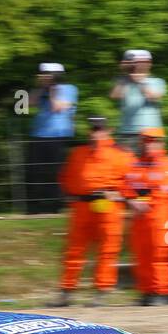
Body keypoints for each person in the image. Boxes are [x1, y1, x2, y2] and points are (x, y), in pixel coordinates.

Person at [54, 115, 132, 306]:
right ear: (90, 131)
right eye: (94, 129)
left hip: (108, 205)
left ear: (108, 131)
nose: (97, 133)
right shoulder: (78, 153)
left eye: (101, 129)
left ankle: (102, 291)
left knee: (108, 248)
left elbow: (132, 180)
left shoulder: (121, 154)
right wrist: (70, 194)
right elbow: (65, 177)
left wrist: (120, 195)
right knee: (74, 249)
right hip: (82, 205)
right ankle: (67, 291)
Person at [123, 127, 168, 306]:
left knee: (161, 257)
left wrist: (144, 202)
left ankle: (162, 293)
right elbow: (125, 186)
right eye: (146, 141)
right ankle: (146, 292)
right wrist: (132, 201)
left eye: (153, 141)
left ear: (161, 143)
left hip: (164, 219)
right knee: (141, 256)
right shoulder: (135, 165)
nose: (149, 144)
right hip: (141, 219)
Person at [27, 62, 77, 213]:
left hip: (59, 136)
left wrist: (52, 89)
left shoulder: (69, 89)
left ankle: (56, 205)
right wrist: (40, 87)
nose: (45, 77)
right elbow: (25, 105)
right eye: (43, 75)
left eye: (48, 75)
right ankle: (36, 205)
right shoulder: (40, 89)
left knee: (56, 172)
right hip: (39, 135)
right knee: (36, 172)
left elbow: (57, 107)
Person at [111, 49, 166, 148]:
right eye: (134, 63)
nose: (137, 65)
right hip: (127, 132)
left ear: (149, 64)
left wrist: (141, 81)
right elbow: (115, 95)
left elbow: (153, 97)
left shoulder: (157, 81)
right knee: (125, 163)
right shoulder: (124, 81)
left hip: (151, 134)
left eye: (140, 62)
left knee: (150, 163)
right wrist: (125, 74)